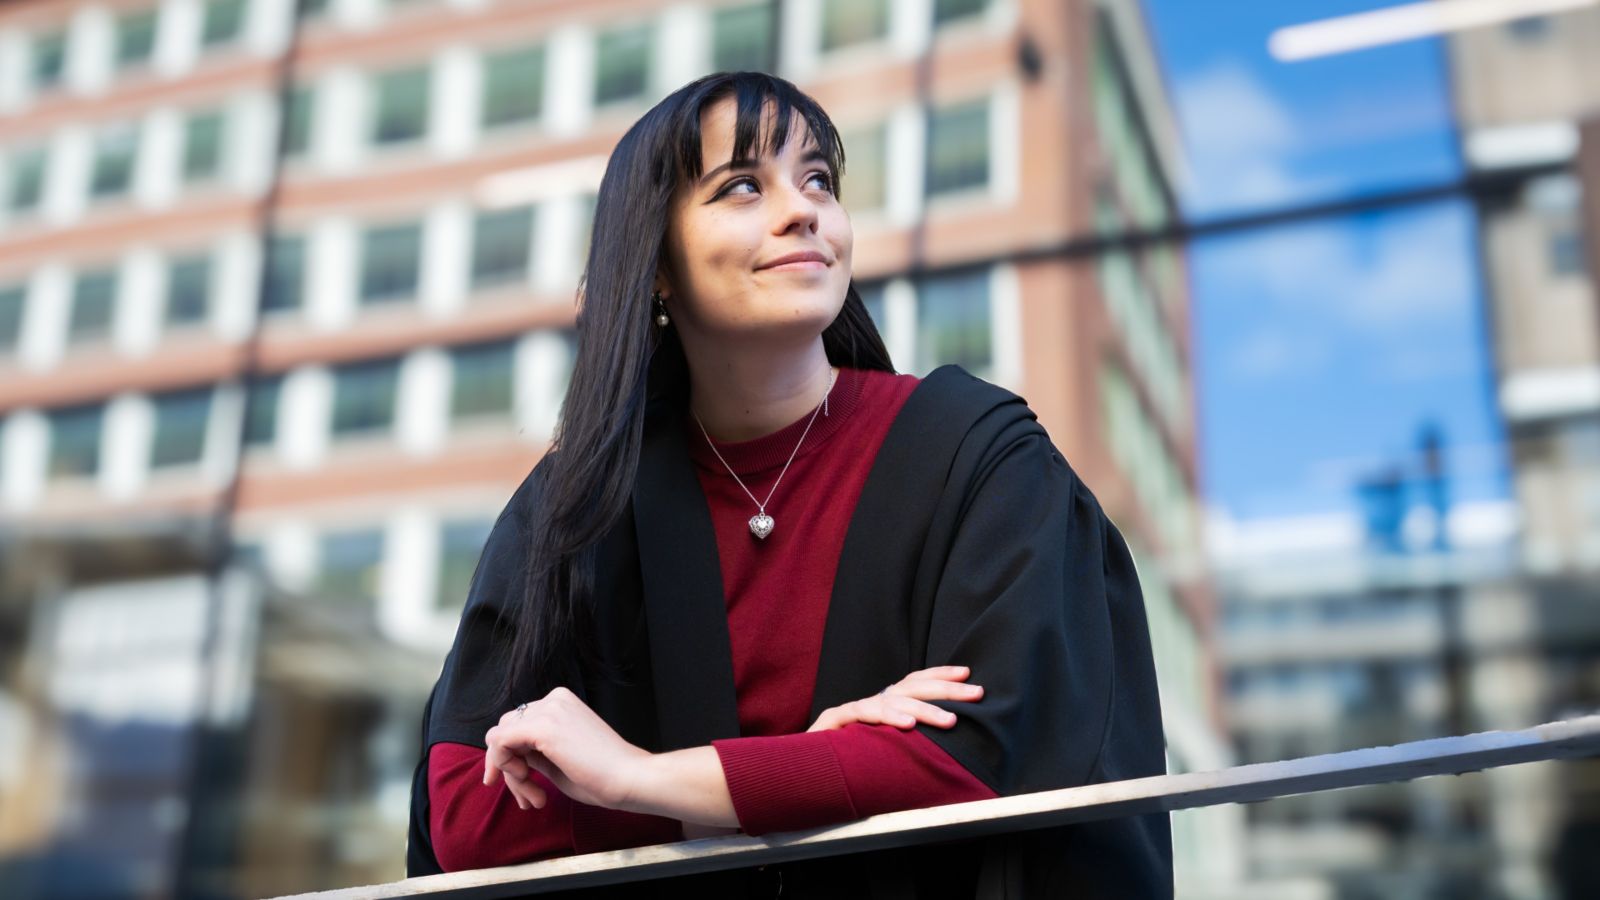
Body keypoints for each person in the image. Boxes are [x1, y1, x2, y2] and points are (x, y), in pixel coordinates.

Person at [405, 71, 1173, 898]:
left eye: (818, 180)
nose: (803, 210)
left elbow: (981, 756)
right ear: (656, 264)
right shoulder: (581, 505)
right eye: (742, 186)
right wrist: (803, 766)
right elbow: (467, 814)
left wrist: (637, 778)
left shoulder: (975, 454)